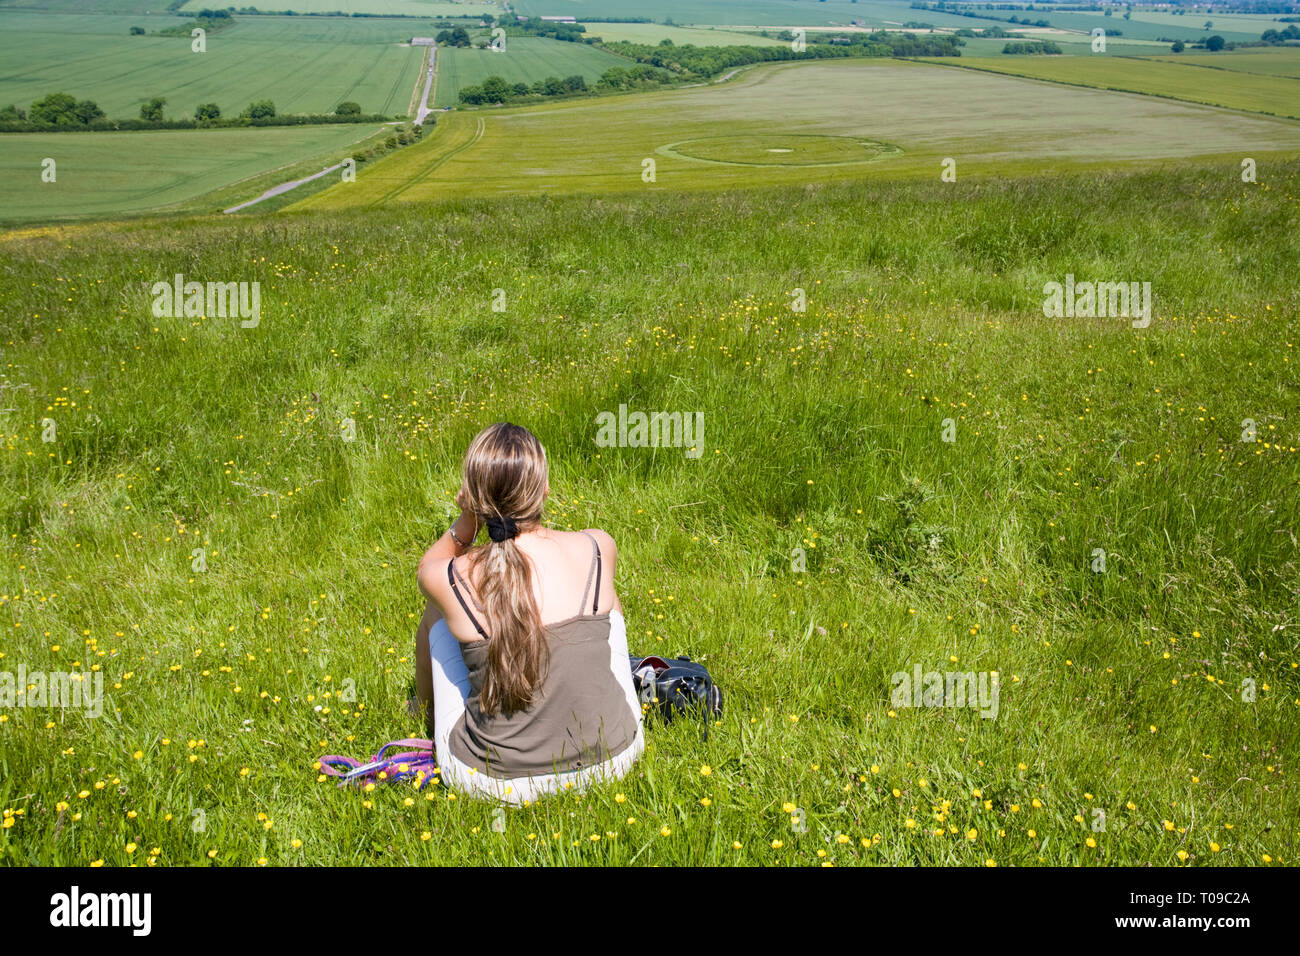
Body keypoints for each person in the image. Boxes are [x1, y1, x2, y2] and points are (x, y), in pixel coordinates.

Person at [412, 422, 644, 804]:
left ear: (472, 496)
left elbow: (429, 567)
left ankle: (424, 712)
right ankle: (595, 697)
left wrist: (468, 521)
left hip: (493, 781)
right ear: (545, 489)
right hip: (615, 758)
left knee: (437, 612)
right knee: (605, 598)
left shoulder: (451, 577)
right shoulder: (597, 546)